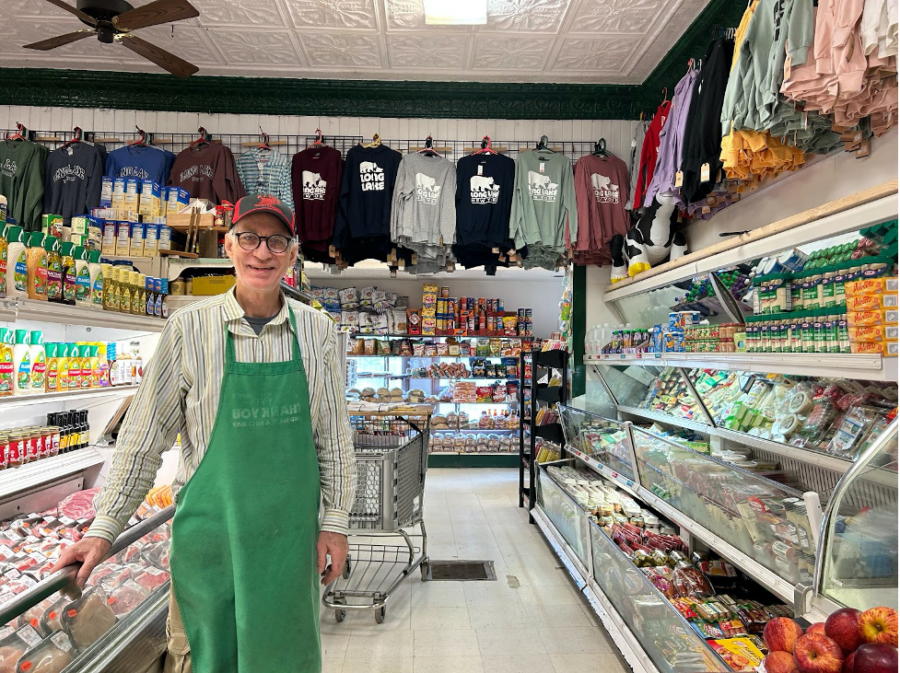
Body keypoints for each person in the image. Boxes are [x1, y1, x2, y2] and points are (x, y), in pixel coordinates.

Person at [53, 194, 357, 673]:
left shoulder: (319, 331)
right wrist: (104, 529)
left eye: (277, 241)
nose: (262, 253)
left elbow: (334, 440)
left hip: (288, 548)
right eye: (250, 239)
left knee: (283, 661)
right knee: (204, 660)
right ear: (230, 246)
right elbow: (143, 439)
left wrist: (336, 523)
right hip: (208, 546)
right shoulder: (187, 328)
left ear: (293, 254)